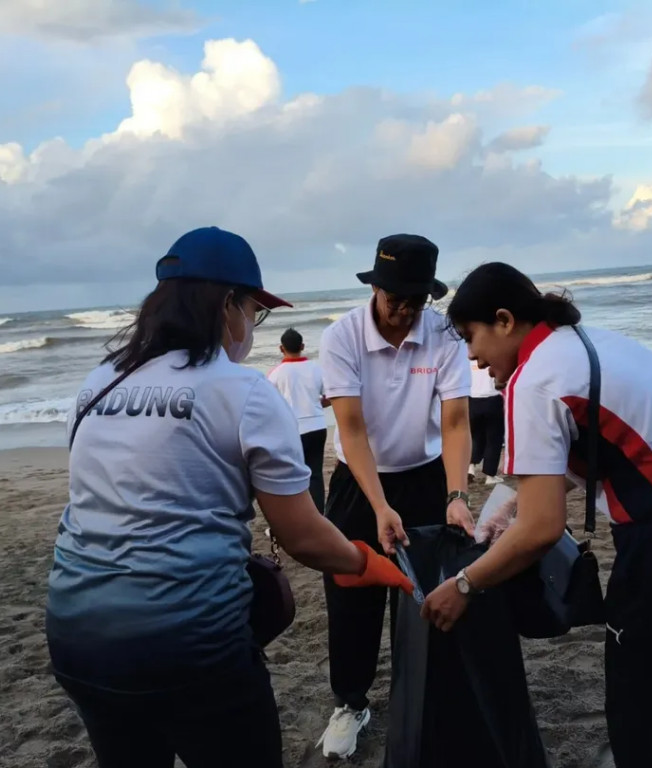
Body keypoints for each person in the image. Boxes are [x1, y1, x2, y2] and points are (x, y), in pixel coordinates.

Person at [44, 226, 414, 768]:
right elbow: (303, 536)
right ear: (226, 306)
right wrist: (366, 563)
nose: (251, 328)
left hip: (76, 636)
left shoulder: (98, 381)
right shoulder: (244, 391)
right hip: (189, 642)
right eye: (253, 312)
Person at [422, 262, 652, 768]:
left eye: (470, 337)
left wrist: (463, 585)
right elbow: (613, 445)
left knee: (641, 717)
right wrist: (508, 505)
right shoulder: (588, 341)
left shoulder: (534, 379)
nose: (472, 357)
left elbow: (542, 529)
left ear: (504, 320)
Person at [315, 233, 473, 760]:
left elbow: (455, 421)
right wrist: (381, 506)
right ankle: (351, 702)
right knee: (351, 597)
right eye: (395, 299)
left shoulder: (443, 334)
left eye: (416, 301)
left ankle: (424, 696)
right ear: (375, 289)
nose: (404, 312)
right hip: (359, 484)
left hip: (426, 479)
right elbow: (352, 428)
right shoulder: (341, 337)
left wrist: (457, 494)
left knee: (424, 594)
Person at [267, 327, 330, 513]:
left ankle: (300, 514)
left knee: (294, 475)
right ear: (302, 346)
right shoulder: (316, 368)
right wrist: (316, 405)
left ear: (281, 348)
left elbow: (270, 405)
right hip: (317, 425)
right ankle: (319, 514)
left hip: (293, 429)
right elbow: (331, 396)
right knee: (315, 474)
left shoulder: (276, 373)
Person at [468, 357, 505, 485]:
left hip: (473, 400)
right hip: (492, 399)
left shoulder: (468, 361)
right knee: (493, 439)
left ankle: (470, 468)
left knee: (475, 436)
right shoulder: (493, 358)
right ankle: (490, 475)